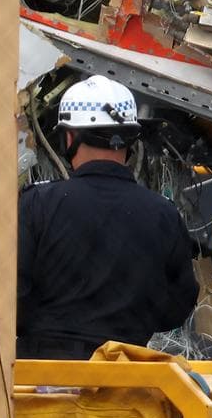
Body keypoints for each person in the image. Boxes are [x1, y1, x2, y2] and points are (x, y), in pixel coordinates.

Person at [17, 74, 199, 359]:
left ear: (68, 137)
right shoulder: (163, 214)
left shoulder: (36, 204)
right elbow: (177, 305)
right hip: (126, 380)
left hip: (42, 379)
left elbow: (10, 296)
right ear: (129, 139)